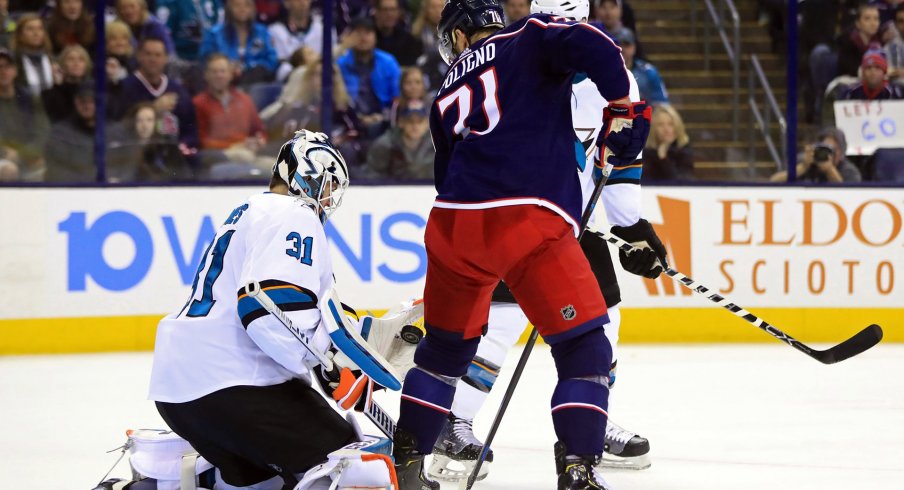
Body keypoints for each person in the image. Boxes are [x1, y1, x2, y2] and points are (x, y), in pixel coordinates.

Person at [391, 1, 659, 489]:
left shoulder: (447, 88)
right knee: (583, 346)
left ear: (458, 34)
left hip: (454, 228)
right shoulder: (527, 37)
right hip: (526, 221)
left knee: (442, 354)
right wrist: (623, 106)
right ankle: (578, 467)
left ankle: (406, 468)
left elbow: (445, 175)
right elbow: (596, 43)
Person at [148, 130, 401, 490]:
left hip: (178, 393)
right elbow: (266, 303)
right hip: (236, 385)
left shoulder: (252, 211)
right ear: (306, 175)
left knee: (262, 480)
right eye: (328, 186)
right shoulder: (293, 213)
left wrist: (329, 364)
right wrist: (328, 360)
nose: (329, 199)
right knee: (355, 466)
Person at [112, 37, 200, 165]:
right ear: (139, 56)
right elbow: (119, 127)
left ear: (166, 59)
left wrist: (180, 149)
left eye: (158, 55)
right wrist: (153, 109)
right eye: (148, 54)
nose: (153, 59)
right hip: (136, 157)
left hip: (174, 157)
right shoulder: (124, 88)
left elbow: (190, 130)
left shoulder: (178, 90)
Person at [193, 53, 267, 167]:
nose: (219, 75)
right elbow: (201, 141)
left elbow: (259, 130)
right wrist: (236, 145)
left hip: (249, 152)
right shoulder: (198, 103)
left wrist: (259, 141)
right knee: (244, 156)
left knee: (278, 167)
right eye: (214, 72)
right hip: (219, 154)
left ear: (230, 74)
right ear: (206, 75)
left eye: (223, 71)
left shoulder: (244, 100)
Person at [337, 17, 401, 139]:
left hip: (383, 119)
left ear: (375, 37)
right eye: (358, 33)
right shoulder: (340, 64)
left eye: (368, 33)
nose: (363, 38)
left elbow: (397, 96)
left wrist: (383, 116)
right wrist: (359, 118)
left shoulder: (388, 61)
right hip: (349, 120)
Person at [199, 0, 279, 85]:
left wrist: (247, 66)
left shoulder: (263, 32)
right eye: (237, 5)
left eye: (247, 5)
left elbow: (271, 59)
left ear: (253, 8)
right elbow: (206, 59)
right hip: (224, 77)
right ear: (229, 8)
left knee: (259, 71)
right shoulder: (214, 34)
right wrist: (228, 66)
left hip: (256, 78)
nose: (242, 9)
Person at [0, 47, 49, 181]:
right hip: (3, 158)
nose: (3, 71)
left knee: (46, 169)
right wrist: (5, 153)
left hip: (27, 156)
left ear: (15, 71)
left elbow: (43, 131)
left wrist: (25, 153)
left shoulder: (29, 98)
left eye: (7, 66)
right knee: (9, 170)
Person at [43, 79, 97, 182]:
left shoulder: (112, 130)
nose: (86, 105)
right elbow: (57, 171)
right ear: (75, 102)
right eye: (82, 101)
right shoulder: (60, 133)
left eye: (91, 101)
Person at [267, 0, 335, 81]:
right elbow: (280, 68)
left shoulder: (323, 28)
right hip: (289, 84)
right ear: (287, 3)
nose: (303, 2)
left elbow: (332, 59)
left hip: (321, 80)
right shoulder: (275, 31)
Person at [366, 100, 434, 178]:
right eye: (410, 121)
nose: (415, 126)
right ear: (401, 122)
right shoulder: (384, 145)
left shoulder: (438, 146)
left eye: (420, 122)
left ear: (427, 124)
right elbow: (371, 176)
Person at [769, 128, 862, 183]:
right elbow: (773, 181)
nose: (827, 153)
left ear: (841, 153)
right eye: (824, 148)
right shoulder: (805, 161)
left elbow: (850, 195)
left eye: (832, 150)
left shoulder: (849, 170)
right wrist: (802, 168)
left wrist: (830, 171)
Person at [155, 0, 224, 62]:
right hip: (181, 56)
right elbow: (165, 33)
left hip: (208, 58)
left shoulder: (214, 2)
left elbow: (219, 29)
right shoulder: (171, 3)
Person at [613, 27, 667, 104]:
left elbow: (661, 103)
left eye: (626, 44)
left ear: (634, 47)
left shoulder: (648, 72)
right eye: (618, 44)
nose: (622, 49)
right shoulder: (604, 73)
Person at [641, 104, 694, 182]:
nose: (666, 129)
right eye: (660, 125)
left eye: (671, 124)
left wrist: (663, 158)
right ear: (653, 128)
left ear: (677, 126)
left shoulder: (684, 150)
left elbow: (682, 183)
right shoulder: (646, 152)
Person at [42, 44, 92, 122]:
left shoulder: (94, 90)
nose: (76, 63)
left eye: (81, 60)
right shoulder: (51, 92)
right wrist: (57, 85)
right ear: (62, 64)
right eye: (71, 59)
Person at [12, 14, 54, 97]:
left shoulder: (52, 60)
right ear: (20, 35)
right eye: (30, 29)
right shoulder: (13, 61)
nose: (36, 33)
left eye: (40, 29)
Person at [375, 0, 424, 66]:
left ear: (398, 12)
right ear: (377, 12)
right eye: (385, 9)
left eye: (393, 9)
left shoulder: (408, 40)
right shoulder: (368, 38)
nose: (389, 14)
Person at [837, 4, 881, 77]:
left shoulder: (879, 42)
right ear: (858, 23)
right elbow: (847, 68)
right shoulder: (847, 42)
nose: (873, 23)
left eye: (876, 19)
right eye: (867, 19)